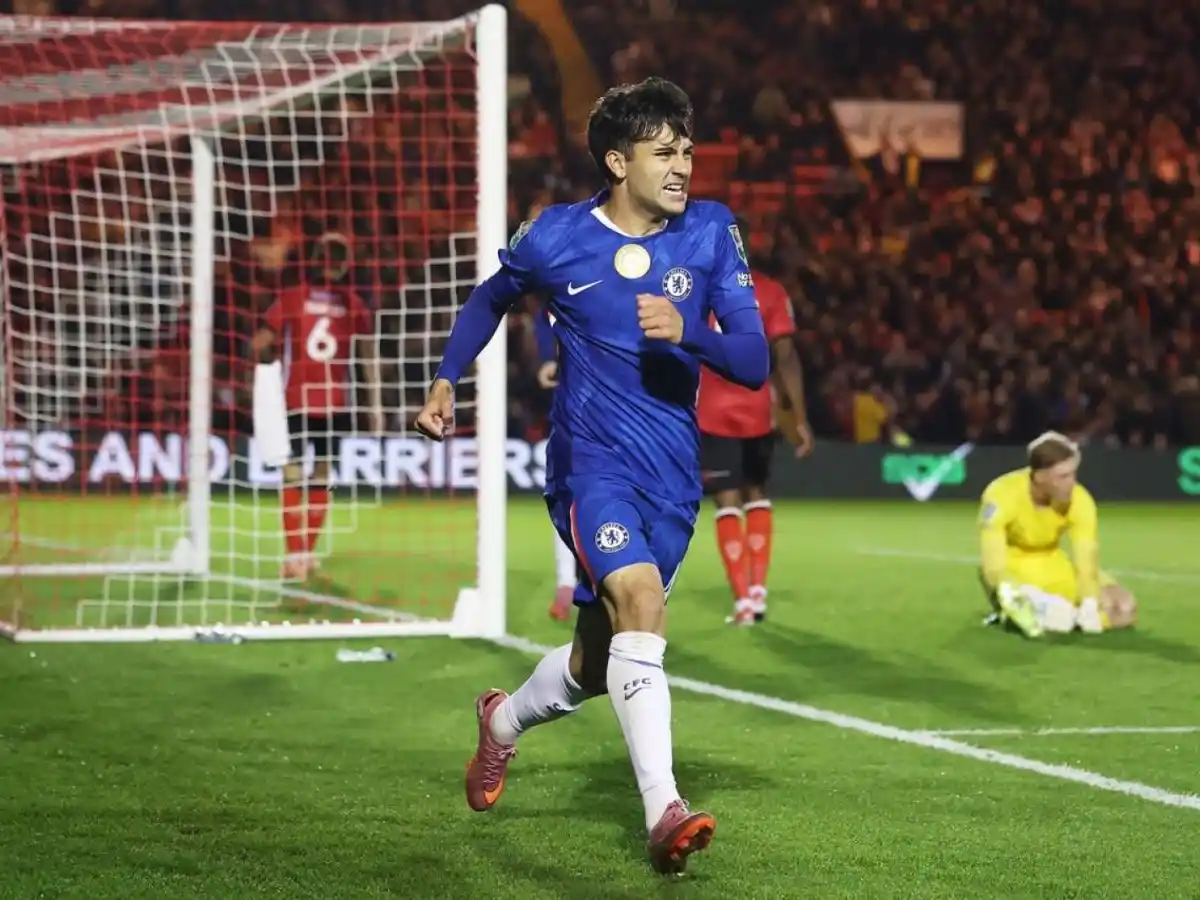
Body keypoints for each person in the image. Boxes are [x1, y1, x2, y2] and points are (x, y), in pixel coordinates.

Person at [414, 77, 768, 874]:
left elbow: (753, 359)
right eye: (663, 152)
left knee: (594, 664)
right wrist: (447, 377)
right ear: (617, 160)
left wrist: (691, 336)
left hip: (673, 478)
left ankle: (501, 723)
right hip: (590, 468)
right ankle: (664, 812)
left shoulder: (712, 232)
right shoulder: (556, 237)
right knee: (640, 601)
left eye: (687, 151)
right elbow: (490, 298)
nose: (683, 166)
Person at [696, 216, 812, 626]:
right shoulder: (771, 292)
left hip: (712, 412)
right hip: (758, 411)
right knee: (757, 494)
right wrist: (799, 417)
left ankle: (743, 599)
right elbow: (787, 357)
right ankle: (758, 589)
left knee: (727, 502)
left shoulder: (697, 288)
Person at [253, 234, 383, 581]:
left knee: (292, 476)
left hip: (295, 400)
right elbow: (366, 356)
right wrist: (376, 403)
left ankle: (295, 555)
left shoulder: (293, 298)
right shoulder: (354, 304)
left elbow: (262, 341)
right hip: (335, 403)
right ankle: (306, 554)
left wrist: (265, 374)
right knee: (322, 477)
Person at [978, 431, 1137, 637]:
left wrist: (1089, 601)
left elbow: (1085, 554)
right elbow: (993, 562)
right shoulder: (1001, 494)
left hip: (1053, 563)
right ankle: (1017, 611)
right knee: (1061, 618)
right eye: (1062, 476)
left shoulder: (1079, 499)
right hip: (1013, 567)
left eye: (1073, 473)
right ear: (1039, 476)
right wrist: (1004, 587)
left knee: (1124, 607)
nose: (1071, 482)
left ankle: (1060, 616)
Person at [532, 307, 584, 622]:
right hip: (568, 418)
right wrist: (546, 365)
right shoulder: (546, 313)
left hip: (610, 417)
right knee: (564, 499)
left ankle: (597, 580)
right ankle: (566, 582)